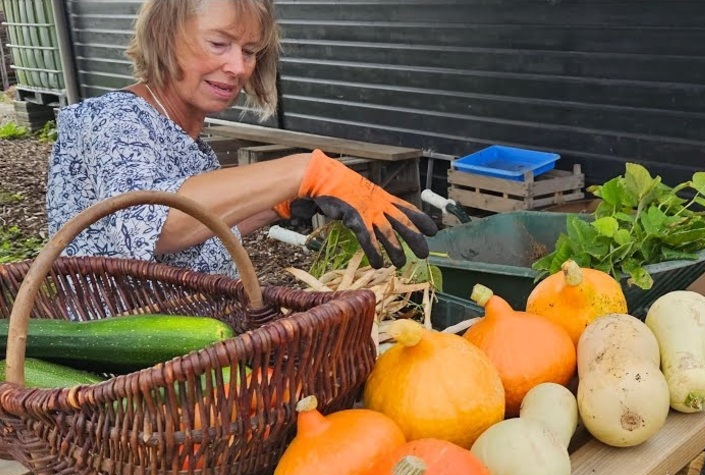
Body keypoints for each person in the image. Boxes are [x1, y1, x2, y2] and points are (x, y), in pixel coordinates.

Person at [46, 0, 436, 277]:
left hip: (188, 356)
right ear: (162, 35)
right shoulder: (110, 120)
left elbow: (199, 235)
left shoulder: (184, 137)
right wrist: (305, 169)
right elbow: (155, 224)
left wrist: (280, 205)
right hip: (113, 376)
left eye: (250, 51)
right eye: (219, 44)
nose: (237, 67)